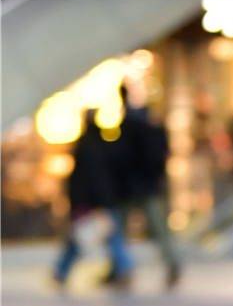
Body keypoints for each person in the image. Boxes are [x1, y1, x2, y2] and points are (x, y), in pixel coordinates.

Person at [53, 109, 134, 290]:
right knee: (104, 236)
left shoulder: (85, 146)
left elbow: (82, 179)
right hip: (106, 199)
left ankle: (61, 272)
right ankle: (123, 269)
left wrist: (78, 202)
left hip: (93, 201)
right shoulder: (104, 143)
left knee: (82, 237)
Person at [117, 84, 183, 289]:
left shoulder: (130, 128)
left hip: (133, 187)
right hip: (148, 187)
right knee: (158, 230)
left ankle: (122, 269)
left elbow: (124, 159)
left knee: (122, 231)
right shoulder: (154, 129)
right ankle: (171, 264)